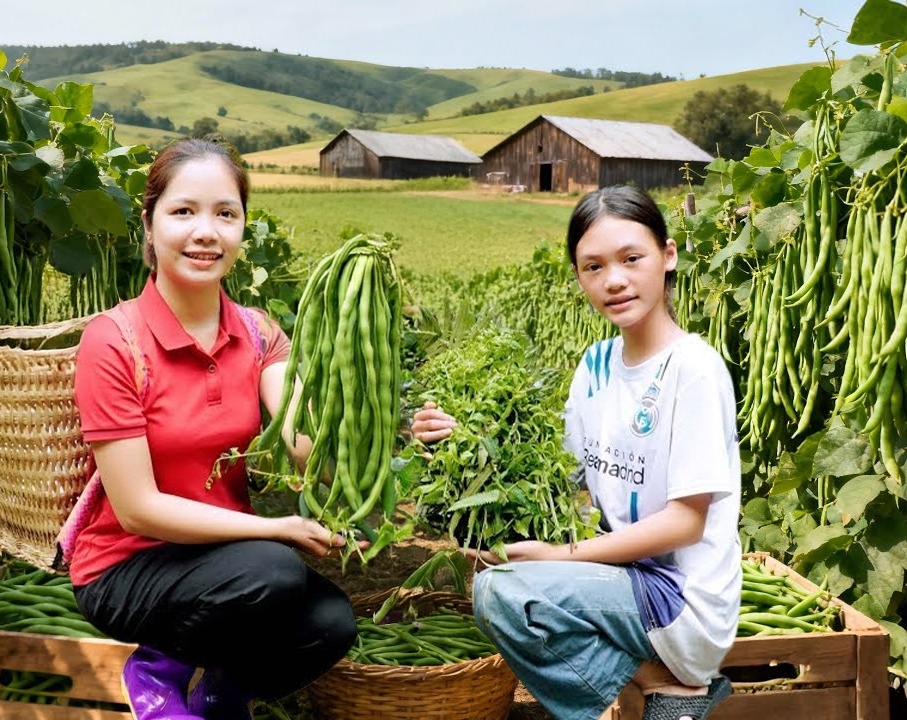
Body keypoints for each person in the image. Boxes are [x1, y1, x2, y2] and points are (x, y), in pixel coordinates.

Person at [412, 185, 739, 720]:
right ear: (579, 277)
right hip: (625, 580)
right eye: (593, 267)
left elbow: (685, 523)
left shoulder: (693, 370)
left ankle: (673, 688)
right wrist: (460, 442)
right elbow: (564, 477)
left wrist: (560, 557)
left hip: (683, 599)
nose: (614, 280)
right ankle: (661, 687)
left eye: (632, 258)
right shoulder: (597, 363)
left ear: (669, 255)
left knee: (504, 594)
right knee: (499, 568)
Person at [69, 138, 354, 720]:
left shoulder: (256, 333)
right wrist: (274, 527)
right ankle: (155, 667)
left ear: (243, 229)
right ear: (148, 226)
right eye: (183, 212)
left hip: (225, 560)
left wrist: (390, 428)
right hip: (127, 567)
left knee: (330, 624)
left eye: (226, 213)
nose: (207, 231)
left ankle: (223, 697)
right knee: (273, 571)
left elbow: (309, 447)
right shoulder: (113, 340)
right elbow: (138, 510)